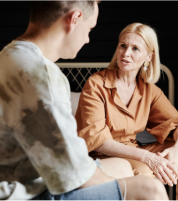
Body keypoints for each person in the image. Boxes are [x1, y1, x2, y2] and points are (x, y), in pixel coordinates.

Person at [0, 2, 168, 200]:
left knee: (122, 166)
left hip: (30, 174)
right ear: (75, 19)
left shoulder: (9, 55)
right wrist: (122, 189)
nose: (88, 39)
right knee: (150, 189)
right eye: (90, 28)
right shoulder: (40, 75)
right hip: (21, 192)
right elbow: (73, 173)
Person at [75, 22, 178, 200]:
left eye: (135, 48)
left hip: (134, 150)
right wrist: (148, 158)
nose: (126, 53)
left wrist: (177, 149)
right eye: (123, 45)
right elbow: (99, 142)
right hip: (102, 154)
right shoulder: (96, 83)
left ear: (149, 57)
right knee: (144, 168)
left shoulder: (148, 90)